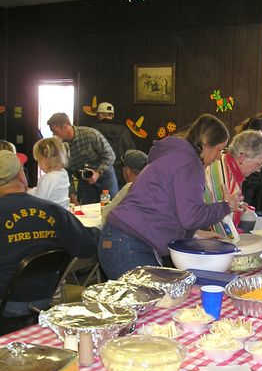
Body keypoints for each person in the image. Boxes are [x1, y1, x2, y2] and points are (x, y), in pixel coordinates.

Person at [98, 114, 241, 279]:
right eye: (219, 150)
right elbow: (191, 216)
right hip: (131, 244)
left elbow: (169, 205)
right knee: (155, 303)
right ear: (206, 144)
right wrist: (227, 206)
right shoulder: (190, 162)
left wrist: (194, 234)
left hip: (120, 240)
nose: (218, 158)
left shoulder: (175, 155)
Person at [0, 150, 97, 319]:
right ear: (21, 176)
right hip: (45, 298)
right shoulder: (53, 211)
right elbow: (87, 247)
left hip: (1, 303)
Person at [204, 129, 262, 236]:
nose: (258, 170)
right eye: (258, 165)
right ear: (242, 157)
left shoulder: (227, 166)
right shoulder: (224, 176)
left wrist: (238, 206)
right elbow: (219, 226)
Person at [47, 112, 118, 204]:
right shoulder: (61, 147)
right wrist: (73, 196)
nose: (54, 135)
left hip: (105, 178)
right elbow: (66, 173)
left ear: (65, 126)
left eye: (55, 132)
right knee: (86, 212)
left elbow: (110, 155)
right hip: (85, 182)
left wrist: (98, 173)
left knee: (110, 208)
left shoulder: (90, 134)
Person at [91, 102, 136, 187]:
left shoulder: (93, 130)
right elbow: (132, 153)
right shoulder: (124, 130)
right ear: (112, 115)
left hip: (99, 176)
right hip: (122, 176)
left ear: (100, 115)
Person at [102, 149, 148, 225]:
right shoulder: (153, 186)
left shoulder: (129, 188)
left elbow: (106, 215)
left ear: (128, 170)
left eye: (124, 167)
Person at [28, 136, 70, 209]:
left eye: (38, 160)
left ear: (45, 159)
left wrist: (28, 193)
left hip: (52, 215)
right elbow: (42, 189)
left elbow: (38, 200)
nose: (38, 164)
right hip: (64, 212)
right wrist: (31, 191)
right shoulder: (63, 173)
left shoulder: (47, 178)